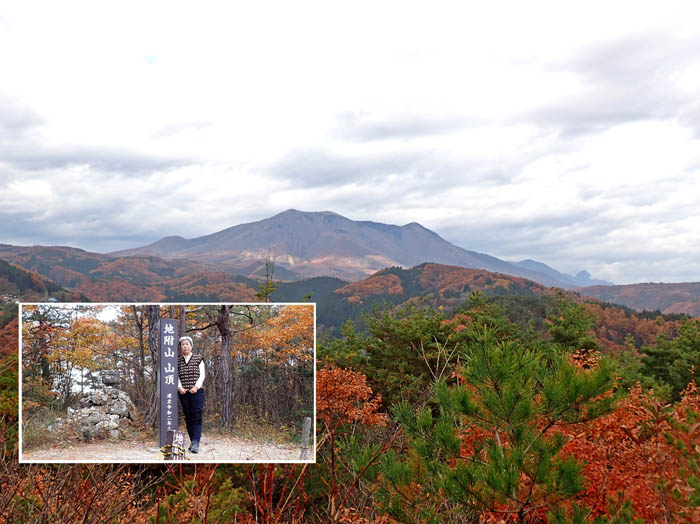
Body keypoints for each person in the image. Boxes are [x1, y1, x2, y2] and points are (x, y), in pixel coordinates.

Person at [177, 336, 205, 453]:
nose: (185, 346)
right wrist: (178, 387)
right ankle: (193, 440)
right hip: (184, 393)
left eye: (187, 344)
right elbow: (176, 376)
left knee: (196, 415)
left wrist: (196, 386)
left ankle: (195, 442)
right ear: (180, 347)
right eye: (183, 344)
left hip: (197, 392)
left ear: (191, 345)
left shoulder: (198, 358)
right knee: (188, 416)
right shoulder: (178, 361)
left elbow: (202, 375)